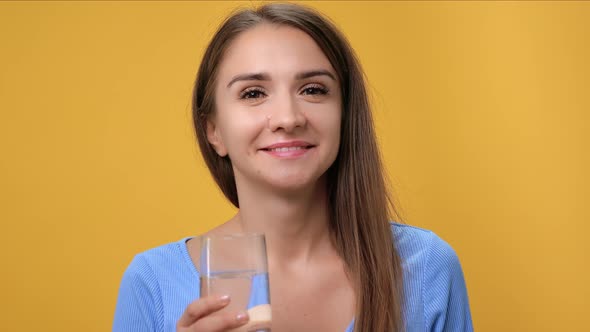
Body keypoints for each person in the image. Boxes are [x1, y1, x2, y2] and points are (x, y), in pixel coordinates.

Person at [113, 3, 473, 332]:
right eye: (253, 93)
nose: (288, 118)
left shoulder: (426, 267)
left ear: (345, 115)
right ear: (214, 131)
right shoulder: (153, 283)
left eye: (313, 89)